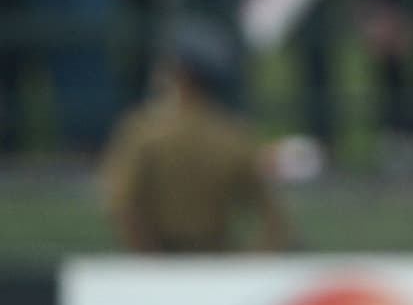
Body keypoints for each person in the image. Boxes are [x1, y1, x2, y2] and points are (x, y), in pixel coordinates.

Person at [100, 18, 290, 254]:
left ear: (177, 74)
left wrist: (150, 259)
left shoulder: (142, 132)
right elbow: (273, 219)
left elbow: (121, 207)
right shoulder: (233, 136)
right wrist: (249, 263)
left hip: (157, 267)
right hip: (217, 262)